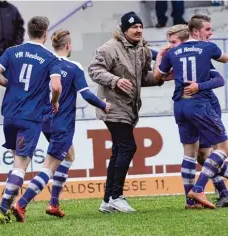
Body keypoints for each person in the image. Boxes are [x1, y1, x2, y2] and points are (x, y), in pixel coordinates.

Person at [10, 29, 111, 223]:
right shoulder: (73, 67)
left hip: (43, 119)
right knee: (49, 167)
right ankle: (21, 204)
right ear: (68, 46)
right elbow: (87, 94)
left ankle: (54, 203)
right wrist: (104, 104)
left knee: (69, 156)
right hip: (61, 123)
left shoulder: (45, 64)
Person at [88, 11, 164, 213]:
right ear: (124, 30)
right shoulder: (109, 48)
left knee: (118, 151)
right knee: (128, 146)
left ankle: (107, 201)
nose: (139, 30)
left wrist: (163, 77)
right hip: (112, 106)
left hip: (130, 108)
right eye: (134, 27)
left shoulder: (142, 49)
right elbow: (94, 70)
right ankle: (116, 196)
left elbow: (143, 78)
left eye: (140, 26)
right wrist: (115, 80)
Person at [154, 14, 228, 209]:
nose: (171, 45)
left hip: (200, 104)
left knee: (202, 154)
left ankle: (212, 195)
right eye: (169, 43)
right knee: (208, 153)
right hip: (197, 106)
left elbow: (219, 79)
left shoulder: (192, 53)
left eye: (173, 41)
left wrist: (198, 85)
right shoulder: (198, 51)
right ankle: (200, 192)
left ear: (186, 37)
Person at [0, 16, 62, 224]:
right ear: (45, 33)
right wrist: (55, 101)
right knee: (21, 166)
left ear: (28, 32)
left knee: (17, 162)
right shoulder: (50, 58)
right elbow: (57, 86)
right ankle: (1, 210)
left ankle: (7, 206)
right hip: (30, 117)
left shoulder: (12, 51)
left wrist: (8, 84)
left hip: (10, 115)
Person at [0, 0, 25, 122]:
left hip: (9, 58)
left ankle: (17, 117)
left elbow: (20, 29)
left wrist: (14, 49)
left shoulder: (12, 10)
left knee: (15, 86)